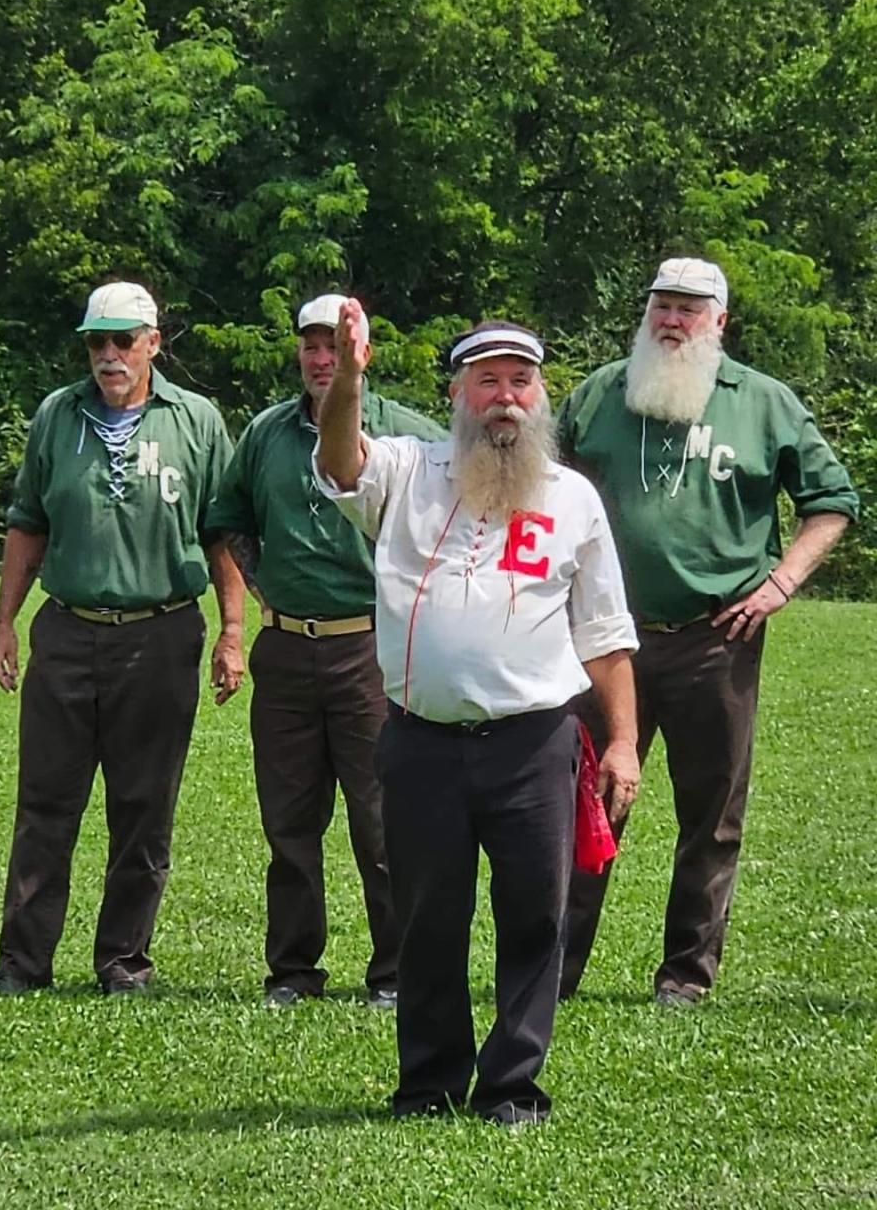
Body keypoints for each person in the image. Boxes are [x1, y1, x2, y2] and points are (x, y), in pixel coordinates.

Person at [315, 306, 640, 1125]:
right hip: (421, 742)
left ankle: (511, 1086)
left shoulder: (572, 498)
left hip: (534, 741)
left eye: (520, 381)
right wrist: (350, 377)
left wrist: (625, 739)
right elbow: (339, 460)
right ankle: (428, 1086)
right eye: (488, 380)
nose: (505, 397)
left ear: (541, 396)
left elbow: (603, 633)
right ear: (457, 392)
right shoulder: (407, 472)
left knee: (536, 915)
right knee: (427, 916)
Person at [557, 257, 859, 1007]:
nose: (672, 321)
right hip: (605, 636)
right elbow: (547, 486)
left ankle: (685, 976)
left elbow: (833, 501)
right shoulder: (602, 393)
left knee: (711, 815)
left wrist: (782, 581)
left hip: (715, 636)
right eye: (662, 305)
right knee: (583, 800)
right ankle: (552, 969)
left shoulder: (763, 403)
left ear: (719, 322)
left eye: (690, 309)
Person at [0, 280, 244, 995]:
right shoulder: (57, 416)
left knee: (143, 809)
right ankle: (24, 963)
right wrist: (4, 620)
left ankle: (123, 962)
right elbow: (27, 520)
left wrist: (231, 631)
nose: (108, 355)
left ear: (153, 343)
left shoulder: (195, 422)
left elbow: (221, 533)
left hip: (160, 636)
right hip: (67, 633)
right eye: (96, 342)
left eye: (122, 341)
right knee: (45, 804)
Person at [205, 294, 446, 1010]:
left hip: (372, 648)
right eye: (312, 346)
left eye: (336, 348)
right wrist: (265, 586)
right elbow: (228, 519)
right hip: (286, 648)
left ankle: (396, 974)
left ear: (363, 354)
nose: (321, 360)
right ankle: (292, 971)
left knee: (383, 821)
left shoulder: (408, 436)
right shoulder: (266, 434)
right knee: (289, 822)